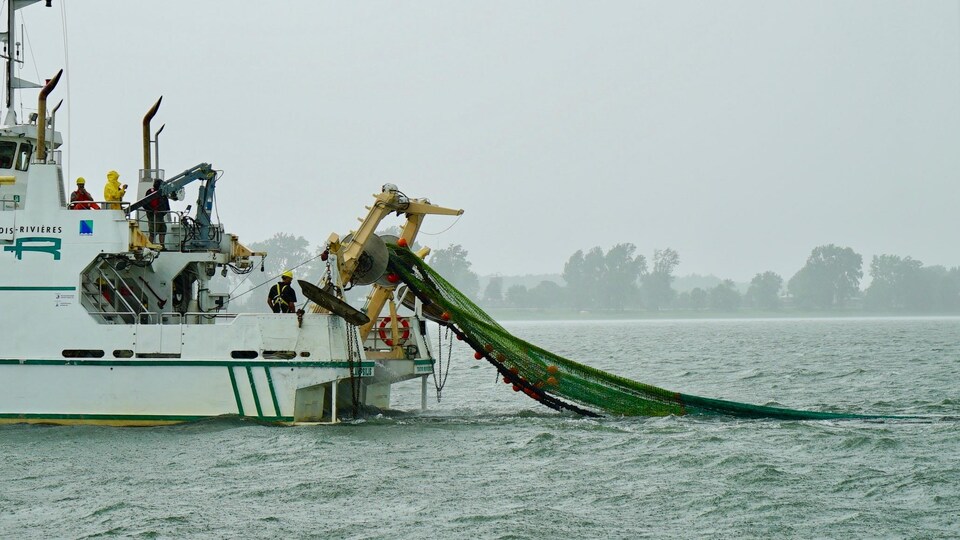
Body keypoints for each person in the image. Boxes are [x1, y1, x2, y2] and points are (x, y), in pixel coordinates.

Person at [144, 179, 170, 245]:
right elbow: (145, 203)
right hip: (153, 215)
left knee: (162, 230)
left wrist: (165, 211)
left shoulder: (162, 193)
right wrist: (152, 210)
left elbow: (166, 203)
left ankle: (162, 246)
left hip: (160, 215)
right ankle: (150, 246)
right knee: (153, 231)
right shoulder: (151, 192)